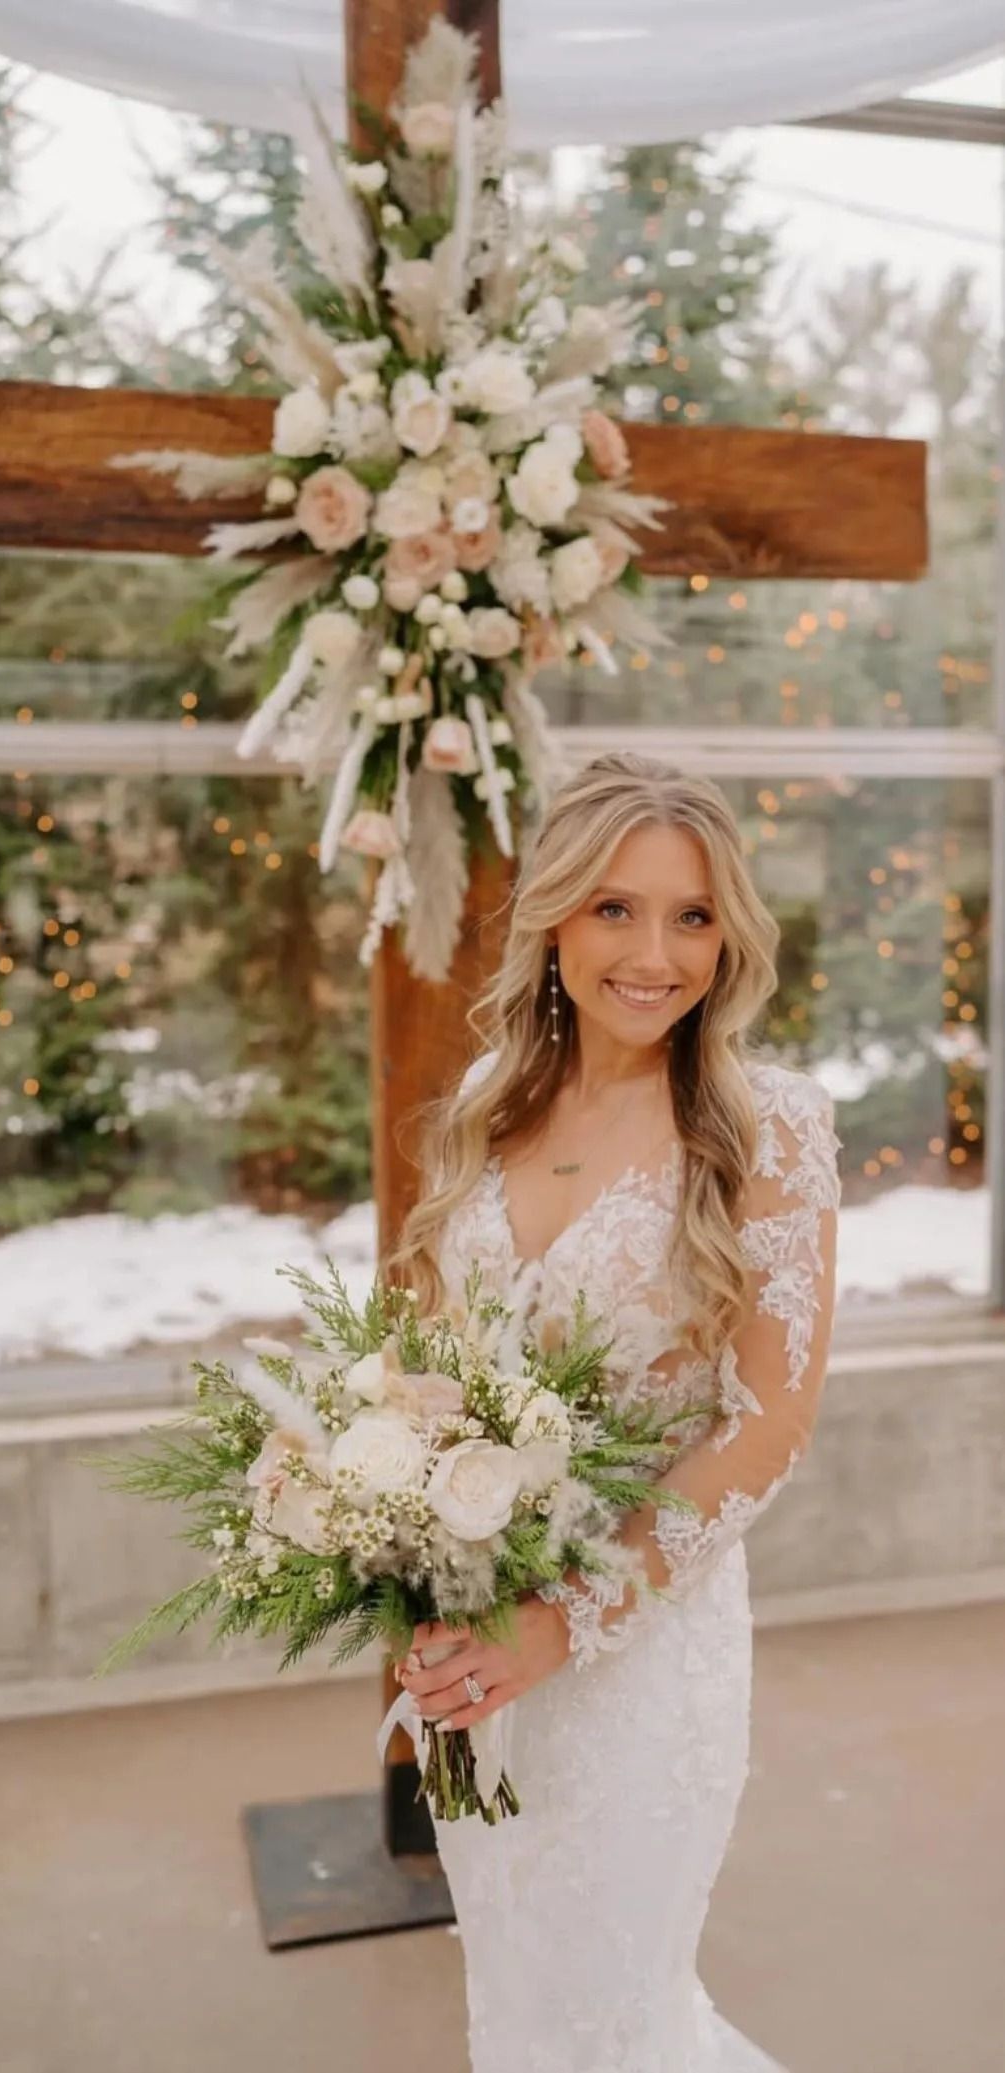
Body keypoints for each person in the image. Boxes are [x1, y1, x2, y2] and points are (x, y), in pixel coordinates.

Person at [388, 751, 842, 2073]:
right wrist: (406, 1548)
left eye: (691, 915)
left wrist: (564, 1617)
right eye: (614, 908)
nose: (654, 953)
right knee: (519, 1998)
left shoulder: (772, 1129)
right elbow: (433, 1367)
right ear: (553, 917)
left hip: (641, 1651)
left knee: (617, 2008)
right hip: (475, 1651)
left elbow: (768, 1422)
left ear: (730, 935)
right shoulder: (486, 1103)